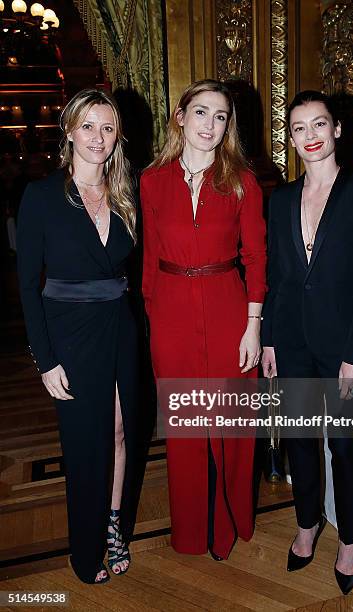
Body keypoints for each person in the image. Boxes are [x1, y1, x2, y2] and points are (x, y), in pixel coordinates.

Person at [261, 90, 353, 595]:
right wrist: (269, 339)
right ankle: (308, 523)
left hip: (344, 348)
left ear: (336, 130)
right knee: (299, 440)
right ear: (290, 138)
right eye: (299, 128)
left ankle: (350, 540)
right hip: (290, 340)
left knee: (344, 445)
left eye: (319, 125)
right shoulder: (282, 199)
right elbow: (276, 275)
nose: (310, 136)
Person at [17, 89, 139, 584]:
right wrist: (44, 360)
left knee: (121, 430)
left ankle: (114, 526)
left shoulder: (128, 193)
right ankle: (84, 548)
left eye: (107, 128)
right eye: (88, 126)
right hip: (68, 334)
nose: (98, 137)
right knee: (85, 443)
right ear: (68, 130)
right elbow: (27, 285)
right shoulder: (42, 196)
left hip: (121, 327)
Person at [141, 79, 266, 560]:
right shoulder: (152, 180)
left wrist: (252, 325)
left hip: (227, 304)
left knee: (231, 421)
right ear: (180, 116)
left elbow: (256, 257)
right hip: (170, 308)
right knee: (188, 426)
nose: (210, 125)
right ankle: (193, 530)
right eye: (201, 113)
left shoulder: (242, 181)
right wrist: (153, 319)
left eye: (220, 117)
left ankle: (232, 522)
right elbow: (150, 259)